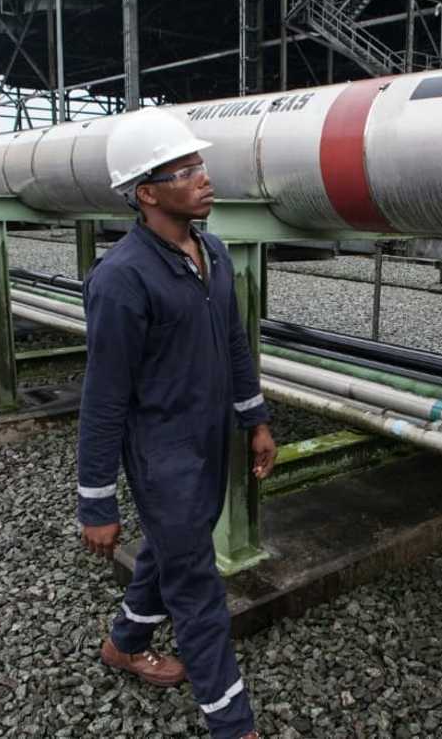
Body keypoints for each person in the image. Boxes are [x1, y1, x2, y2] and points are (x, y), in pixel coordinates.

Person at [76, 108, 276, 739]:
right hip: (164, 455)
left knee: (170, 546)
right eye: (185, 170)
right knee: (197, 585)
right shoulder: (120, 280)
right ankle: (231, 722)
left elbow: (235, 343)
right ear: (146, 192)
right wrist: (96, 501)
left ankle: (123, 644)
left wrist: (256, 419)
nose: (204, 178)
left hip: (212, 437)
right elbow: (103, 399)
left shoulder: (211, 251)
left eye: (201, 165)